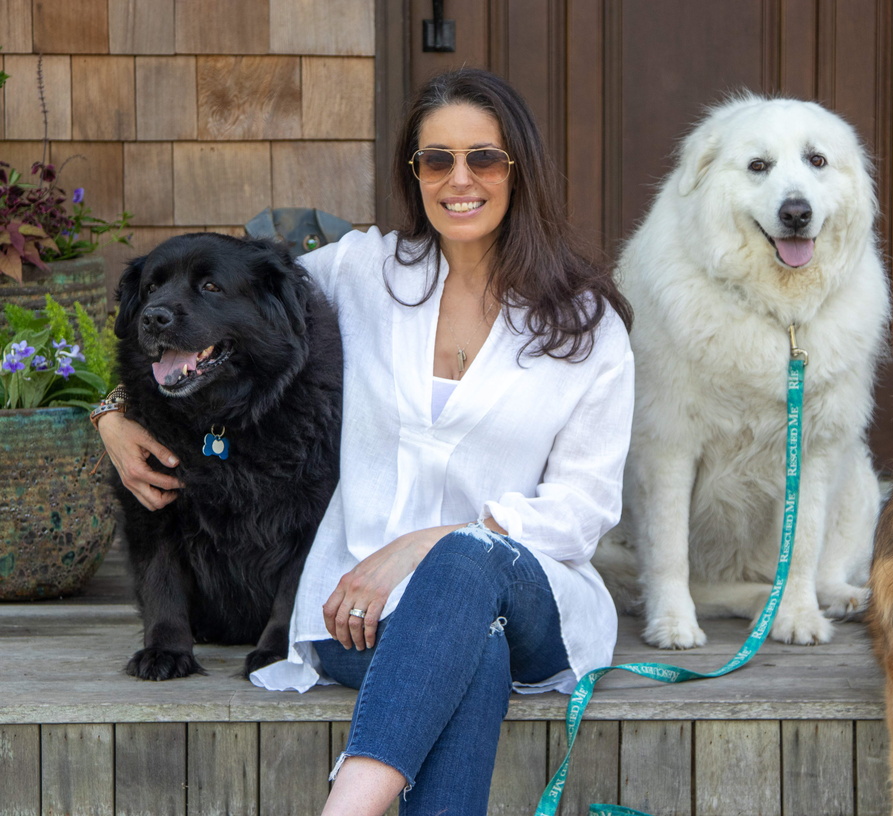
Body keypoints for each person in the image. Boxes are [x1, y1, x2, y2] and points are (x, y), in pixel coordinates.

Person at [97, 67, 634, 815]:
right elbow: (221, 321)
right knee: (469, 651)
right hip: (359, 612)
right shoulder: (366, 274)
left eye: (484, 158)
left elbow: (583, 508)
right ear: (413, 176)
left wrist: (423, 546)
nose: (459, 180)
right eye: (436, 160)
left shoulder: (584, 326)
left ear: (520, 170)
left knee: (464, 569)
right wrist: (111, 414)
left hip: (532, 593)